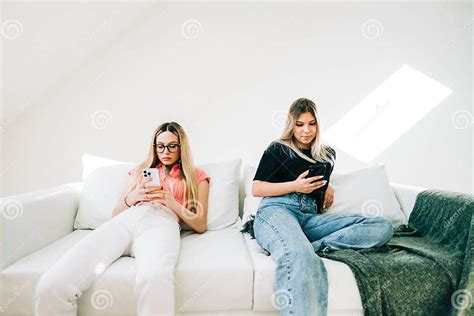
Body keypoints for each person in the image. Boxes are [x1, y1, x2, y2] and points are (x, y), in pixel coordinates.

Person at [34, 122, 211, 316]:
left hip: (162, 223)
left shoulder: (196, 175)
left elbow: (200, 224)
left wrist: (172, 203)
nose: (165, 151)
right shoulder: (141, 170)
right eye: (160, 145)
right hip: (128, 218)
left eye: (172, 146)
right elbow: (116, 213)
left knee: (154, 278)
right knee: (51, 284)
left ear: (181, 147)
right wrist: (134, 196)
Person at [250, 98, 393, 315]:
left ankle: (314, 246)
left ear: (318, 124)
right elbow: (257, 188)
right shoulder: (278, 149)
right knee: (300, 256)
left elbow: (320, 180)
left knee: (382, 226)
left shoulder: (327, 155)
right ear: (291, 125)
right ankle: (301, 248)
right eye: (299, 124)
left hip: (310, 218)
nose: (306, 130)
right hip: (277, 210)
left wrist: (329, 186)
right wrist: (296, 186)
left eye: (311, 123)